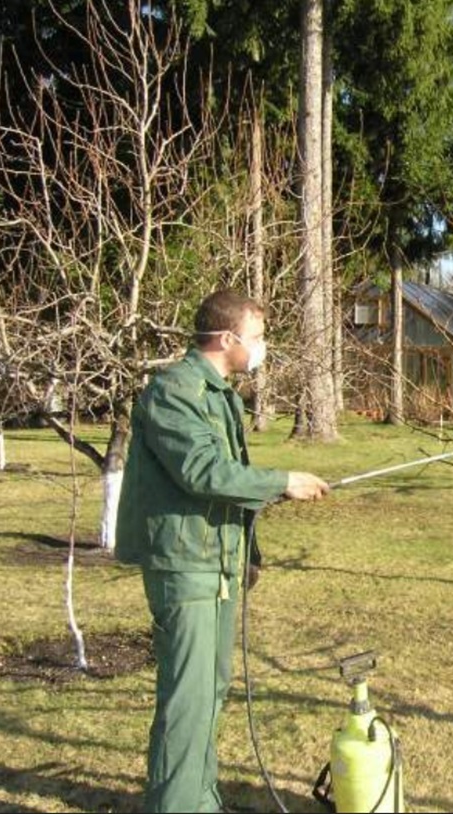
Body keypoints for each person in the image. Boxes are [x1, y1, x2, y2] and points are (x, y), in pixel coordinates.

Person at [116, 290, 331, 813]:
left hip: (219, 566)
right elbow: (202, 472)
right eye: (257, 338)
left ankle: (199, 800)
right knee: (186, 701)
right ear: (227, 338)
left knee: (210, 693)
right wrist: (283, 480)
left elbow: (224, 486)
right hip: (185, 567)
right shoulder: (175, 390)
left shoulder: (220, 393)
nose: (263, 348)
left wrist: (249, 547)